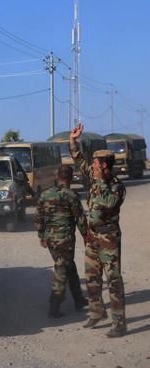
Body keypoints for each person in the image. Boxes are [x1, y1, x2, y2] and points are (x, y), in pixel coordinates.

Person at [70, 123, 127, 337]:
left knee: (113, 281)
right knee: (92, 278)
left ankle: (119, 323)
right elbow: (79, 159)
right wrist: (73, 140)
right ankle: (96, 313)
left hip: (109, 240)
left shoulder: (116, 186)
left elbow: (109, 204)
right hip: (93, 238)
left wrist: (101, 181)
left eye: (95, 164)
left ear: (104, 167)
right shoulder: (94, 176)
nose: (91, 166)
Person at [34, 164, 89, 318]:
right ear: (71, 177)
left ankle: (78, 299)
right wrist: (87, 236)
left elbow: (38, 217)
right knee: (62, 269)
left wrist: (41, 236)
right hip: (65, 239)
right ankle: (54, 304)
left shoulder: (45, 195)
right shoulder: (71, 196)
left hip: (51, 239)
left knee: (68, 266)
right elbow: (80, 219)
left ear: (57, 176)